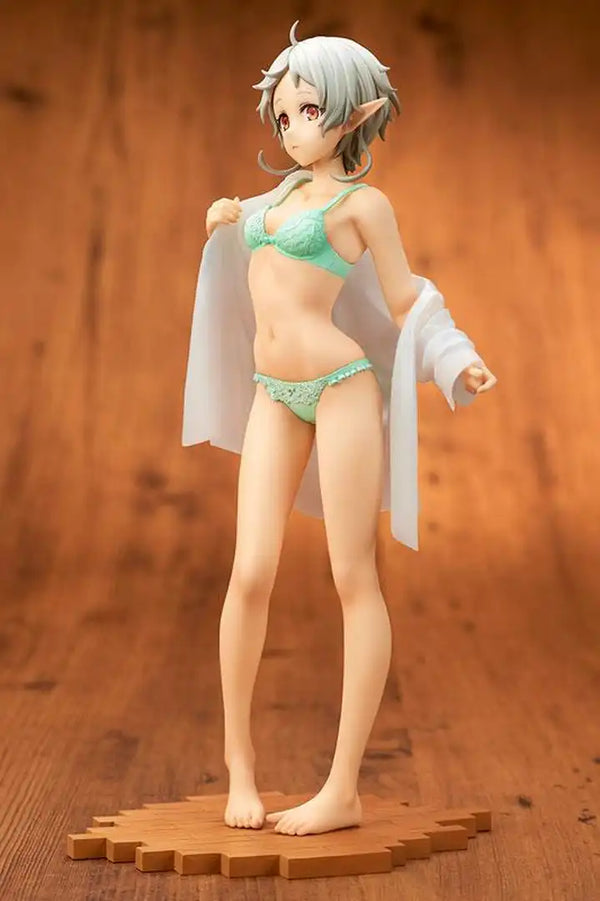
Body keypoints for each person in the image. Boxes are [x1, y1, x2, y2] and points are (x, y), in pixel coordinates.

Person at [181, 20, 497, 837]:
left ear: (355, 114)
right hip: (274, 393)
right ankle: (239, 763)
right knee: (250, 570)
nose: (291, 129)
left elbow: (406, 299)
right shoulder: (281, 197)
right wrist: (224, 217)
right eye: (283, 115)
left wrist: (455, 357)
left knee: (353, 576)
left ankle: (343, 786)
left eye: (309, 111)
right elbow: (249, 234)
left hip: (342, 388)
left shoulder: (364, 207)